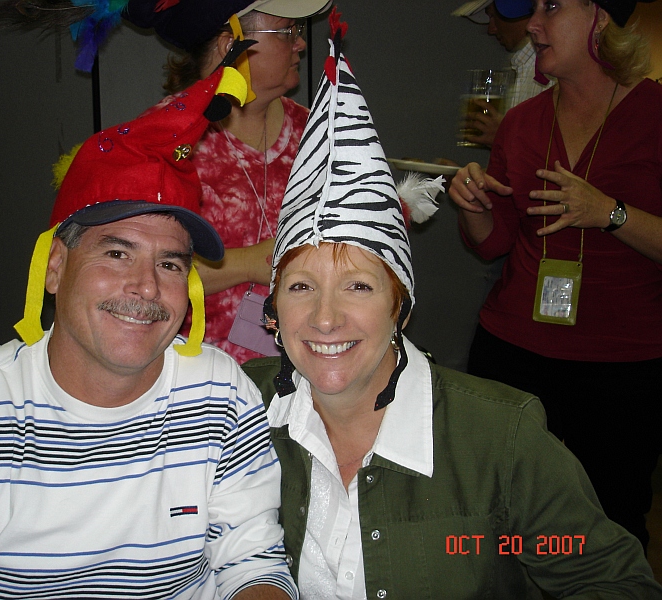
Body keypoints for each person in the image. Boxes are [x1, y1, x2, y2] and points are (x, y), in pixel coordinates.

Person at [241, 11, 662, 598]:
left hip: (621, 355)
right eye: (300, 287)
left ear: (401, 305)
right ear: (272, 309)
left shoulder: (499, 442)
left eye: (359, 286)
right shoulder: (235, 410)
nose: (326, 318)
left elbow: (605, 577)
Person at [0, 69, 296, 600]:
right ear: (55, 266)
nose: (147, 287)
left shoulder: (220, 393)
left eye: (169, 263)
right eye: (116, 253)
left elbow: (252, 563)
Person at [0, 0, 331, 363]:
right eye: (286, 31)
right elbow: (129, 266)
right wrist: (248, 263)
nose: (300, 43)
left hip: (306, 366)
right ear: (229, 44)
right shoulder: (162, 144)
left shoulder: (321, 135)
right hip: (192, 373)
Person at [448, 0, 662, 553]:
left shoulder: (654, 115)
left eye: (551, 6)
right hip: (513, 349)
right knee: (505, 521)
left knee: (611, 525)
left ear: (600, 16)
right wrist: (472, 206)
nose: (533, 25)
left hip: (620, 367)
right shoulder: (523, 122)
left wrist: (609, 212)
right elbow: (494, 241)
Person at [453, 0, 554, 147]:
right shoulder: (521, 67)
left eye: (493, 16)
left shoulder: (553, 72)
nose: (491, 29)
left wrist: (504, 137)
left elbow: (557, 152)